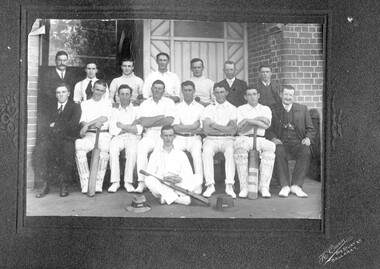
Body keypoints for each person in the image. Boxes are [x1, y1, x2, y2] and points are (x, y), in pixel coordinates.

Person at [266, 85, 316, 198]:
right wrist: (273, 138)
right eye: (286, 94)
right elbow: (268, 129)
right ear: (281, 95)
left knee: (306, 151)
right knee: (277, 151)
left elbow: (311, 129)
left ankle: (296, 186)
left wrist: (308, 138)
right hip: (281, 142)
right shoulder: (273, 109)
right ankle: (285, 186)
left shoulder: (302, 109)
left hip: (297, 142)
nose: (288, 97)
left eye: (290, 95)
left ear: (293, 96)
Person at [34, 83, 81, 198]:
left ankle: (64, 184)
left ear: (68, 94)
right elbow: (44, 124)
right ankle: (44, 184)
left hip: (67, 139)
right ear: (56, 94)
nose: (61, 95)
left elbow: (73, 125)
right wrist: (61, 126)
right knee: (39, 149)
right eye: (58, 92)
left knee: (68, 150)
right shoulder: (50, 107)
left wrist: (55, 125)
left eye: (63, 92)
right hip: (51, 138)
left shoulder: (75, 107)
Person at [234, 87, 276, 198]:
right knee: (240, 152)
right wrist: (259, 119)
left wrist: (248, 120)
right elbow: (242, 129)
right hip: (245, 138)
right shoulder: (240, 109)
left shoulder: (265, 109)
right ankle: (244, 187)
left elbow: (266, 125)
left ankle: (264, 187)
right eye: (249, 94)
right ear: (245, 97)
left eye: (254, 94)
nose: (252, 97)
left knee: (269, 152)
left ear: (258, 95)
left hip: (260, 137)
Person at [145, 125, 203, 205]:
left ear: (174, 136)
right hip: (163, 184)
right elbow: (150, 173)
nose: (168, 138)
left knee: (198, 178)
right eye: (165, 135)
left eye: (170, 135)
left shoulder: (181, 154)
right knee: (148, 180)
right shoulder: (155, 154)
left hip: (178, 184)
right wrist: (163, 178)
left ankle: (167, 198)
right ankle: (178, 199)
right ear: (161, 137)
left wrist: (179, 178)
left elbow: (188, 173)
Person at [136, 80, 176, 193]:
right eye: (155, 88)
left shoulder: (169, 102)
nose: (157, 90)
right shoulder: (144, 104)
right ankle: (142, 182)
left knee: (161, 153)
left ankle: (160, 182)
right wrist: (160, 117)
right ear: (151, 89)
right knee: (141, 149)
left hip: (163, 135)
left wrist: (150, 121)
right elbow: (143, 122)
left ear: (164, 90)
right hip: (148, 134)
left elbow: (169, 120)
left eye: (160, 88)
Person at [75, 80, 113, 193]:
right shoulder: (84, 104)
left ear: (104, 92)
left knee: (104, 149)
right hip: (89, 135)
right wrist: (86, 126)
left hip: (103, 134)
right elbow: (82, 120)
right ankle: (86, 183)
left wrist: (87, 125)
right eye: (97, 89)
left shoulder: (107, 103)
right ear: (92, 89)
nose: (99, 92)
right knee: (79, 146)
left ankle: (97, 183)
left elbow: (103, 118)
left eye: (102, 91)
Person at [201, 83, 238, 198]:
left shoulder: (233, 108)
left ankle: (229, 185)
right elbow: (206, 130)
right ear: (213, 94)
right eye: (216, 92)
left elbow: (232, 130)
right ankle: (210, 185)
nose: (219, 95)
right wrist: (225, 129)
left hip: (228, 139)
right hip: (211, 139)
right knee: (206, 151)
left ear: (226, 92)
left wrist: (215, 125)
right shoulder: (208, 109)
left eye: (222, 92)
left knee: (230, 151)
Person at [108, 85, 142, 193]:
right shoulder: (113, 109)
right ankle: (115, 182)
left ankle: (128, 182)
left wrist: (122, 126)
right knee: (113, 150)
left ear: (131, 96)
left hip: (133, 137)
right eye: (122, 94)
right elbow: (112, 128)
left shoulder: (137, 109)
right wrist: (129, 127)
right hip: (118, 136)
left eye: (127, 94)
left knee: (132, 152)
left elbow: (139, 128)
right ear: (118, 95)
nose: (124, 96)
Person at [172, 81, 204, 183]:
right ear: (182, 91)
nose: (187, 93)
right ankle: (176, 181)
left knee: (197, 154)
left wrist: (184, 127)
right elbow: (176, 128)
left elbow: (201, 129)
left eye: (190, 90)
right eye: (185, 90)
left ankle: (198, 183)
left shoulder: (201, 108)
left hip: (195, 138)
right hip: (179, 138)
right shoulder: (176, 107)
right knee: (174, 152)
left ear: (194, 91)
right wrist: (193, 126)